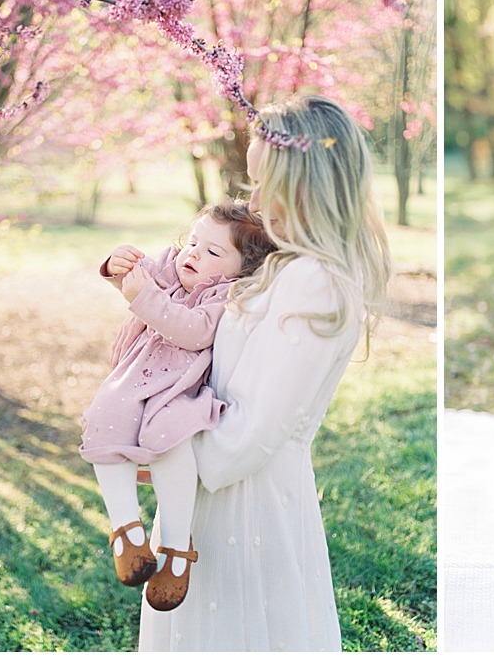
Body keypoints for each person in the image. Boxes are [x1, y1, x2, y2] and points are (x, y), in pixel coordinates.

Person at [138, 94, 391, 651]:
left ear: (301, 185)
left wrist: (161, 451)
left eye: (261, 182)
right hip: (204, 485)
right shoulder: (286, 268)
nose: (252, 199)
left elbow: (250, 432)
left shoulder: (316, 283)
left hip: (243, 503)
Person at [80, 202, 275, 611]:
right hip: (133, 376)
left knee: (170, 437)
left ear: (241, 268)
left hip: (179, 389)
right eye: (192, 242)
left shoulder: (225, 295)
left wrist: (145, 297)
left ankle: (174, 548)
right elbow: (141, 277)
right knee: (102, 418)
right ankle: (127, 531)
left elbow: (196, 331)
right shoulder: (173, 267)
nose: (193, 255)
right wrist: (119, 265)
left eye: (211, 252)